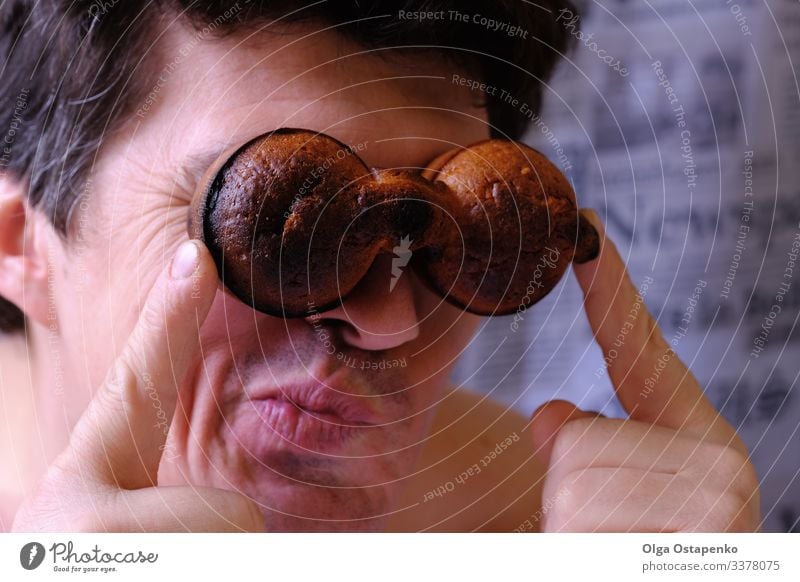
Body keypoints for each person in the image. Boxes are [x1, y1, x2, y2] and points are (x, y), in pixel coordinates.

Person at [0, 0, 759, 532]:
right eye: (280, 226)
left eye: (448, 234)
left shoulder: (547, 528)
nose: (387, 322)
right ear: (19, 241)